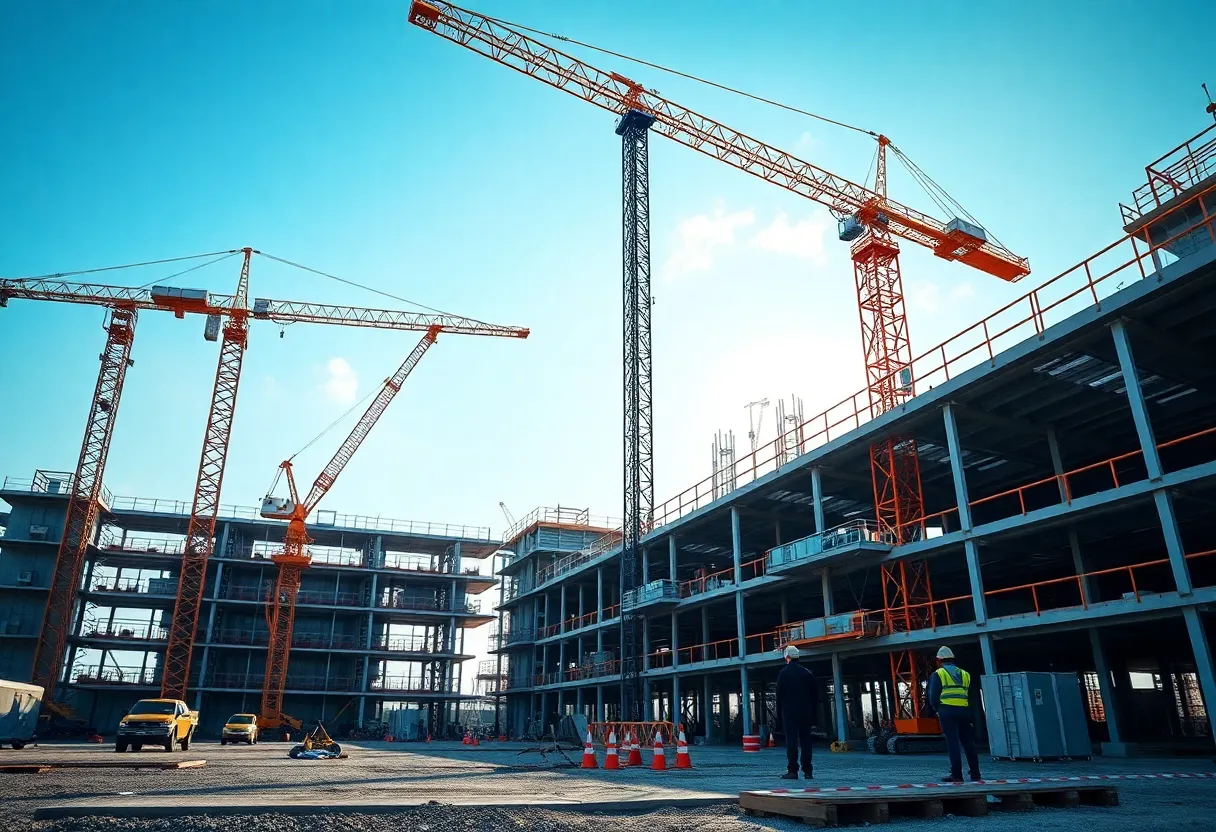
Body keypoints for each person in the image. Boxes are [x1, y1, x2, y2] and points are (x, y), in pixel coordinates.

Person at [928, 645, 981, 783]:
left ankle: (957, 775)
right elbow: (969, 695)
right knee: (968, 743)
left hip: (947, 711)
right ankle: (975, 773)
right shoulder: (965, 674)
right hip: (964, 711)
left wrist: (937, 709)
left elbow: (933, 697)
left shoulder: (938, 674)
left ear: (939, 660)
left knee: (953, 743)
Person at [775, 644, 818, 780]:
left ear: (787, 657)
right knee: (806, 741)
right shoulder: (807, 673)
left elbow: (779, 696)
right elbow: (814, 696)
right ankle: (808, 771)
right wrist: (814, 716)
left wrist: (779, 717)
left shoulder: (783, 673)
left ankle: (793, 771)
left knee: (792, 741)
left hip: (789, 712)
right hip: (805, 712)